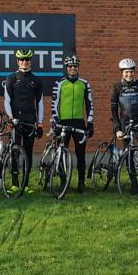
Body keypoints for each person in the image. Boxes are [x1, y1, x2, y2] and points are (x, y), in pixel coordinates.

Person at [50, 55, 94, 193]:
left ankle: (81, 183)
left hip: (79, 123)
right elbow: (54, 104)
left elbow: (89, 104)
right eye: (70, 67)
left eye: (75, 66)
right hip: (63, 122)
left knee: (81, 154)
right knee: (62, 153)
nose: (73, 69)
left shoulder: (84, 83)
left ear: (78, 68)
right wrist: (56, 119)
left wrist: (90, 123)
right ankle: (64, 182)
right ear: (66, 68)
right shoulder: (60, 83)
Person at [3, 50, 44, 194]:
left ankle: (25, 184)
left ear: (30, 61)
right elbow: (7, 101)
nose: (24, 62)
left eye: (27, 59)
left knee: (28, 152)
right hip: (16, 121)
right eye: (21, 59)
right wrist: (10, 117)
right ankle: (15, 184)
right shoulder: (11, 78)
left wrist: (40, 123)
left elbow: (40, 103)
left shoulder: (36, 80)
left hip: (30, 120)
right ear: (17, 61)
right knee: (15, 152)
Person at [110, 58, 138, 155]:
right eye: (126, 72)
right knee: (128, 151)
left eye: (131, 72)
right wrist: (118, 129)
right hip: (124, 122)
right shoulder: (116, 87)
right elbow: (114, 110)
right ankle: (131, 170)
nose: (129, 74)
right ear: (122, 72)